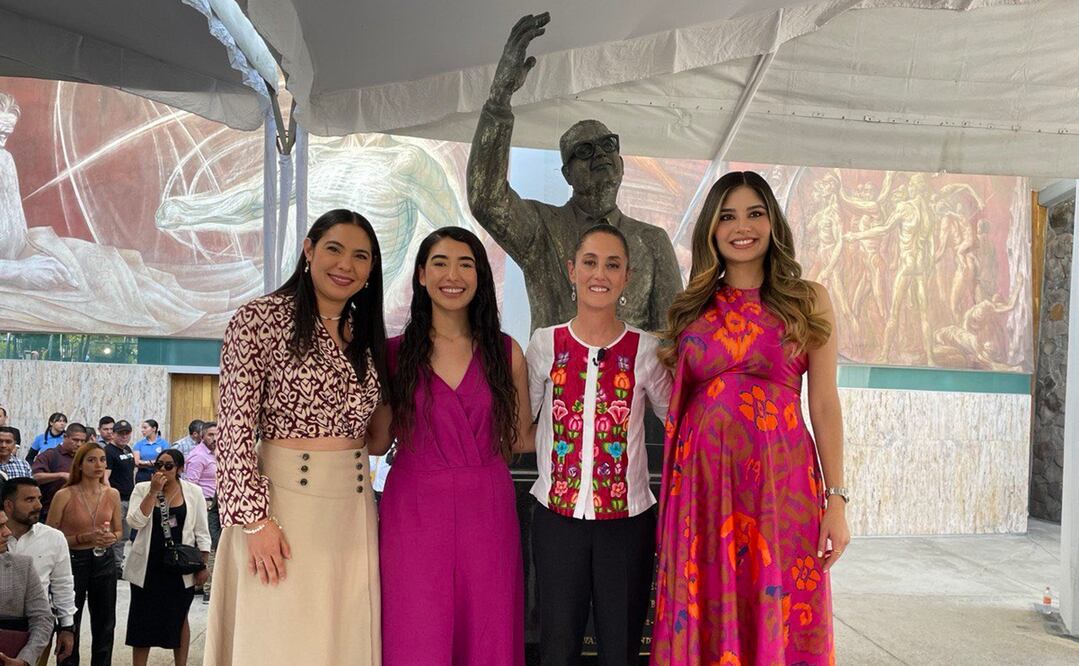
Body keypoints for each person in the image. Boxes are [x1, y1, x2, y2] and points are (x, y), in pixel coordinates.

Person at [651, 171, 849, 665]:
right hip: (704, 491)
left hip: (781, 490)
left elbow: (824, 404)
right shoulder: (690, 308)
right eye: (728, 216)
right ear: (711, 229)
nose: (742, 227)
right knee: (710, 605)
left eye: (754, 213)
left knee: (778, 601)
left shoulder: (808, 299)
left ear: (773, 222)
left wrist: (837, 500)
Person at [205, 209, 391, 664]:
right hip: (281, 509)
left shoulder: (364, 332)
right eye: (334, 249)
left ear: (371, 269)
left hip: (352, 508)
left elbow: (375, 436)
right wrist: (255, 522)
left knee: (342, 639)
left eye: (361, 256)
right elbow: (233, 428)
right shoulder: (259, 319)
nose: (346, 264)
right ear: (309, 250)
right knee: (279, 641)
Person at [467, 13, 681, 334]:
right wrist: (499, 99)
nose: (600, 154)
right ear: (567, 174)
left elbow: (672, 336)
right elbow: (485, 198)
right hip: (554, 366)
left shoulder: (652, 241)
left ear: (621, 163)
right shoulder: (541, 228)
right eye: (584, 151)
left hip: (631, 367)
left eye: (608, 145)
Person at [381, 226, 532, 665]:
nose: (453, 275)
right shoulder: (392, 354)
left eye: (466, 264)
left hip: (487, 509)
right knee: (415, 627)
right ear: (421, 275)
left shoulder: (506, 352)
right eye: (441, 263)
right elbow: (377, 440)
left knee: (488, 625)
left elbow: (519, 437)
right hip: (413, 511)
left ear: (480, 275)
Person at [526, 224, 672, 665]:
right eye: (590, 262)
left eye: (613, 265)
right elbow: (520, 421)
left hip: (627, 523)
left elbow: (678, 421)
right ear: (572, 270)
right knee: (557, 646)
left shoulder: (646, 350)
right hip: (556, 520)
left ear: (627, 277)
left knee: (621, 647)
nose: (600, 274)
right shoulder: (545, 344)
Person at [125, 450, 210, 666]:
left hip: (180, 565)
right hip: (148, 564)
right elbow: (135, 522)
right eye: (159, 465)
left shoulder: (194, 492)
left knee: (179, 618)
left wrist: (202, 565)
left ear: (180, 469)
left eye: (168, 466)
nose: (162, 470)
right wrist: (153, 492)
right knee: (142, 620)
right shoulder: (142, 489)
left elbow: (202, 531)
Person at [45, 443, 122, 666]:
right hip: (73, 560)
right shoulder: (64, 494)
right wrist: (82, 538)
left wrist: (111, 538)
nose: (98, 465)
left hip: (103, 559)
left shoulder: (112, 493)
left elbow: (119, 531)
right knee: (70, 621)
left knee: (105, 622)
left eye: (102, 460)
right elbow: (50, 536)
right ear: (79, 464)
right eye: (91, 460)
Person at [3, 478, 77, 665]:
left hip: (37, 628)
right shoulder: (2, 538)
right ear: (9, 505)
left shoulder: (53, 538)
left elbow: (63, 585)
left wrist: (67, 627)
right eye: (29, 500)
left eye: (39, 499)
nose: (38, 505)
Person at [0, 509, 53, 666]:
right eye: (0, 526)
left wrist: (24, 660)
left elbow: (43, 619)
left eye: (5, 525)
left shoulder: (23, 566)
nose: (7, 532)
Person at [183, 421, 219, 602]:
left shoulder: (218, 454)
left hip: (217, 503)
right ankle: (208, 588)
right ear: (202, 436)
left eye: (217, 434)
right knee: (209, 544)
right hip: (205, 503)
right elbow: (191, 484)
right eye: (211, 435)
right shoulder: (198, 456)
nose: (214, 438)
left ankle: (200, 584)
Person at [30, 424, 84, 525]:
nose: (79, 444)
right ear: (65, 437)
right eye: (75, 440)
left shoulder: (83, 458)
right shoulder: (50, 455)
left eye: (82, 441)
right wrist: (60, 475)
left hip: (76, 512)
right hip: (49, 511)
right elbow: (35, 477)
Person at [103, 420, 137, 571]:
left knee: (124, 536)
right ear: (113, 434)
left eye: (127, 433)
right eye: (120, 433)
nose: (124, 436)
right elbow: (105, 478)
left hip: (129, 498)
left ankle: (118, 565)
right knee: (114, 534)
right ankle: (111, 565)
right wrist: (112, 499)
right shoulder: (108, 451)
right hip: (117, 500)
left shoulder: (127, 449)